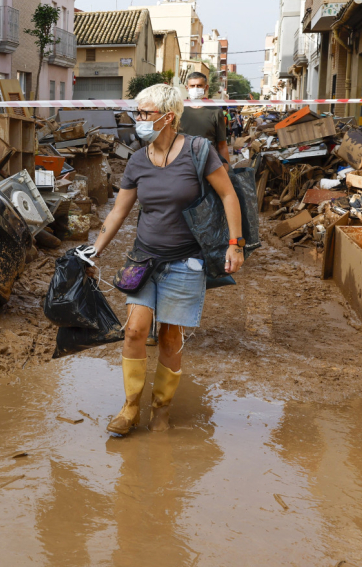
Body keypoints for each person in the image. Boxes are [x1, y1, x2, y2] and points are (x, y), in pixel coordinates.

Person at [77, 83, 245, 436]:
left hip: (186, 262)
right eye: (137, 113)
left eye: (144, 113)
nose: (137, 120)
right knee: (135, 330)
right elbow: (118, 213)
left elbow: (229, 196)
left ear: (168, 117)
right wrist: (93, 251)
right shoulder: (137, 160)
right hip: (143, 259)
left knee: (169, 338)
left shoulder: (199, 152)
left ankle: (162, 412)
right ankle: (130, 407)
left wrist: (235, 244)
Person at [179, 72, 230, 164]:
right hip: (183, 164)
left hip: (209, 164)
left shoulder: (216, 111)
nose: (195, 88)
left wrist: (227, 169)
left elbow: (222, 145)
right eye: (192, 86)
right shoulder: (178, 111)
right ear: (187, 88)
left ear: (206, 88)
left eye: (199, 86)